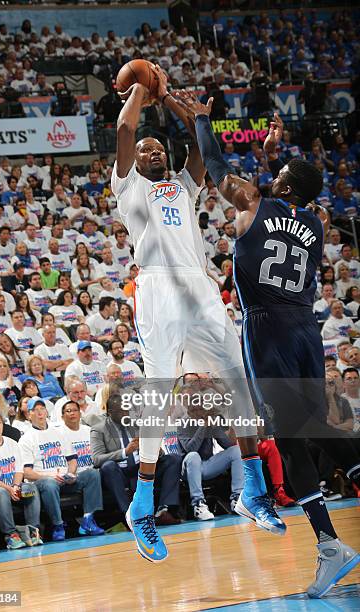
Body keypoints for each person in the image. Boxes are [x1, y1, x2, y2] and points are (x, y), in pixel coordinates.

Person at [181, 97, 360, 597]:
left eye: (276, 171)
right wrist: (267, 158)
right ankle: (330, 541)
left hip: (268, 329)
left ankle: (329, 545)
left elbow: (217, 167)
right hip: (306, 328)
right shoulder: (319, 223)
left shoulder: (253, 202)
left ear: (280, 185)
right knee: (313, 424)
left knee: (287, 436)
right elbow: (284, 205)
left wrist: (200, 118)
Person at [111, 67, 284, 563]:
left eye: (157, 150)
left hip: (200, 285)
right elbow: (125, 131)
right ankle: (141, 506)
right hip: (157, 285)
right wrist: (144, 88)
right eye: (147, 152)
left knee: (238, 383)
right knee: (160, 391)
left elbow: (196, 151)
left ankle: (253, 490)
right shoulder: (129, 189)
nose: (153, 153)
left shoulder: (183, 187)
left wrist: (187, 112)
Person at [19, 397, 104, 541]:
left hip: (65, 480)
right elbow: (27, 473)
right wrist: (50, 476)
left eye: (42, 409)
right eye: (35, 410)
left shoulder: (59, 432)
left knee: (92, 474)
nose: (40, 413)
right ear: (29, 415)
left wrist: (71, 473)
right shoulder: (26, 439)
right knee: (50, 484)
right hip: (43, 482)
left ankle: (88, 520)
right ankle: (58, 525)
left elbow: (72, 460)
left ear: (47, 412)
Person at [91, 394, 181, 525]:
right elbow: (97, 459)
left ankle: (164, 509)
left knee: (173, 459)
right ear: (110, 412)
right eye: (121, 410)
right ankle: (130, 516)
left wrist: (154, 449)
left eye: (127, 409)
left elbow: (156, 450)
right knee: (108, 466)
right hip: (120, 472)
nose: (126, 413)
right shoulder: (99, 429)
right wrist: (125, 452)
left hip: (142, 467)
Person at [0, 409, 41, 549]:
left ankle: (33, 530)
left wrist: (16, 486)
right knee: (0, 492)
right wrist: (8, 488)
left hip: (15, 487)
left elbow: (19, 469)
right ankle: (11, 535)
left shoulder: (12, 443)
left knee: (31, 488)